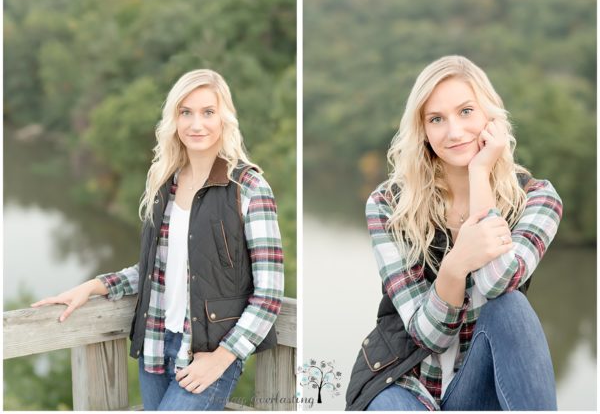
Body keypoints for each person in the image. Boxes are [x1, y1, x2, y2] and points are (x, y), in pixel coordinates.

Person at [32, 69, 285, 411]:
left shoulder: (249, 188)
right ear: (174, 119)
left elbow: (269, 294)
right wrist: (95, 286)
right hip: (154, 345)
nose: (197, 124)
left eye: (208, 112)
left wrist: (222, 358)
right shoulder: (165, 182)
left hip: (207, 354)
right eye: (186, 112)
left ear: (224, 118)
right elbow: (156, 270)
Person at [345, 56, 562, 411]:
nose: (454, 132)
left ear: (490, 118)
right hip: (403, 379)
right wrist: (455, 265)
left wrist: (480, 174)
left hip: (478, 389)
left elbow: (496, 283)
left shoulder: (537, 199)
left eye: (466, 111)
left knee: (511, 306)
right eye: (436, 119)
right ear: (424, 131)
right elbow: (429, 336)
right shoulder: (388, 204)